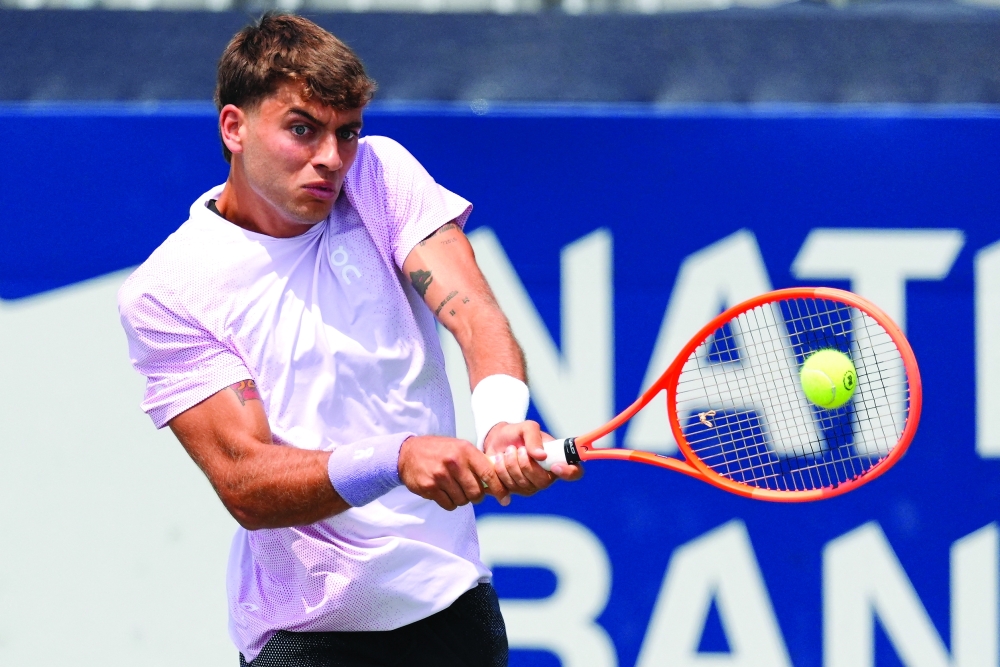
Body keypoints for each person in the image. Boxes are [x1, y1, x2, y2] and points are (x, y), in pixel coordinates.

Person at [117, 11, 582, 667]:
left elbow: (473, 309)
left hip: (450, 612)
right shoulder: (169, 289)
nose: (331, 158)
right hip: (309, 634)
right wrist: (397, 457)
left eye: (347, 132)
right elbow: (245, 481)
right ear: (235, 127)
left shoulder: (379, 177)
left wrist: (503, 424)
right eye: (302, 129)